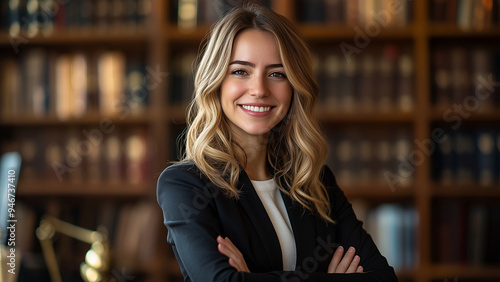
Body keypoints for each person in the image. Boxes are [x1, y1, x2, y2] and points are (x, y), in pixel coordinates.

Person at [157, 3, 398, 281]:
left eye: (277, 74)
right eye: (240, 71)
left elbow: (382, 278)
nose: (259, 89)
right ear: (216, 82)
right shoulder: (185, 185)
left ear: (294, 87)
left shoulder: (316, 183)